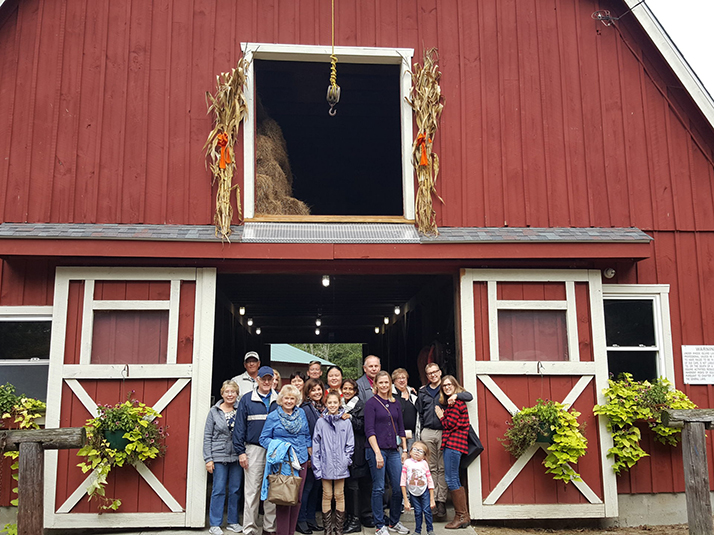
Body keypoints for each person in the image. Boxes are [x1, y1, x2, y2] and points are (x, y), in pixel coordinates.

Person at [415, 363, 472, 520]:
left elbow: (468, 395)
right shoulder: (423, 391)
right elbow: (419, 412)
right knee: (430, 467)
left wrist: (456, 395)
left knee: (443, 468)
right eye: (429, 373)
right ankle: (432, 502)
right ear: (426, 376)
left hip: (444, 432)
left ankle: (441, 503)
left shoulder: (447, 388)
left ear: (440, 372)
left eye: (435, 372)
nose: (433, 375)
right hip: (427, 431)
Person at [259, 385, 312, 535]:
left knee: (297, 500)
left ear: (296, 400)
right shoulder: (273, 416)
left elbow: (307, 435)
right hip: (283, 463)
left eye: (292, 398)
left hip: (301, 460)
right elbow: (263, 439)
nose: (289, 401)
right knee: (284, 500)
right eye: (286, 398)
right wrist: (280, 446)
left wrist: (309, 451)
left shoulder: (301, 413)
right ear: (281, 399)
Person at [234, 367, 279, 535]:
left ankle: (269, 528)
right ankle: (250, 529)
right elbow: (239, 428)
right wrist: (241, 452)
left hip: (275, 451)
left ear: (273, 380)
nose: (266, 382)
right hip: (253, 449)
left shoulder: (279, 399)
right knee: (252, 492)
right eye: (263, 379)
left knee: (272, 492)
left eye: (269, 379)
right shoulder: (247, 399)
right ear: (258, 379)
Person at [364, 371, 409, 535]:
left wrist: (404, 450)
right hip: (377, 449)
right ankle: (379, 525)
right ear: (375, 385)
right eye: (380, 383)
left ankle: (394, 521)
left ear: (390, 384)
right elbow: (369, 430)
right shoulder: (371, 403)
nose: (384, 385)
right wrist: (376, 453)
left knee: (398, 487)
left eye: (386, 382)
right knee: (379, 488)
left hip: (394, 451)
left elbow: (401, 428)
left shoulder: (395, 402)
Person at [312, 391, 355, 535]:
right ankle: (328, 529)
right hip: (326, 463)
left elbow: (350, 443)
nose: (332, 405)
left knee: (339, 494)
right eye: (329, 403)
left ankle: (339, 529)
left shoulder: (346, 421)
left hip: (341, 464)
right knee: (327, 494)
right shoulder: (321, 422)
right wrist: (317, 464)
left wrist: (346, 459)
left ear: (339, 403)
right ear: (325, 404)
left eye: (335, 403)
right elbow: (316, 443)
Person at [204, 380, 243, 535]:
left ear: (236, 394)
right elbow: (207, 436)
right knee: (218, 489)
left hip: (236, 455)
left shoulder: (240, 410)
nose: (230, 394)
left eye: (233, 392)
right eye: (227, 391)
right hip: (218, 455)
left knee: (235, 490)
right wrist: (208, 458)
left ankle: (233, 522)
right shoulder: (214, 411)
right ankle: (215, 523)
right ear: (222, 393)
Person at [434, 376, 471, 529]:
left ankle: (461, 516)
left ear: (455, 386)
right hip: (454, 444)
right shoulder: (452, 402)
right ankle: (463, 516)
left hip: (454, 444)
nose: (447, 387)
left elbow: (450, 424)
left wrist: (441, 416)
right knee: (453, 478)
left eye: (449, 385)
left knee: (451, 479)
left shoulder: (456, 402)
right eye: (444, 386)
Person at [297, 379, 326, 534]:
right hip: (309, 455)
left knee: (316, 487)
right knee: (306, 488)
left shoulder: (324, 408)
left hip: (322, 455)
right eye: (313, 390)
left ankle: (311, 519)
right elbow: (304, 433)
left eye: (319, 389)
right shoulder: (305, 409)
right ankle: (301, 520)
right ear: (307, 393)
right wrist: (308, 456)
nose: (317, 392)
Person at [341, 379, 369, 533]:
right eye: (345, 388)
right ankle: (349, 517)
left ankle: (356, 520)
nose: (347, 391)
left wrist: (350, 418)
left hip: (357, 450)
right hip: (342, 450)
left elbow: (363, 426)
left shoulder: (360, 406)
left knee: (354, 485)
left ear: (355, 391)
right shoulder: (339, 404)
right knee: (347, 486)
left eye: (350, 389)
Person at [400, 442, 435, 535]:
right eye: (414, 449)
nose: (417, 452)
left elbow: (430, 480)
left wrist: (432, 499)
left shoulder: (424, 464)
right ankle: (417, 531)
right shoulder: (407, 463)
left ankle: (430, 530)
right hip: (412, 491)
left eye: (421, 451)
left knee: (427, 510)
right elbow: (403, 481)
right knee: (418, 511)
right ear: (410, 452)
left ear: (424, 455)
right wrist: (406, 499)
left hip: (424, 490)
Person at [392, 368, 419, 451]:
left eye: (403, 378)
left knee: (412, 457)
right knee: (400, 458)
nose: (401, 380)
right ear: (394, 381)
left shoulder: (413, 393)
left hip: (412, 434)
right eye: (398, 378)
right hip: (397, 434)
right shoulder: (390, 394)